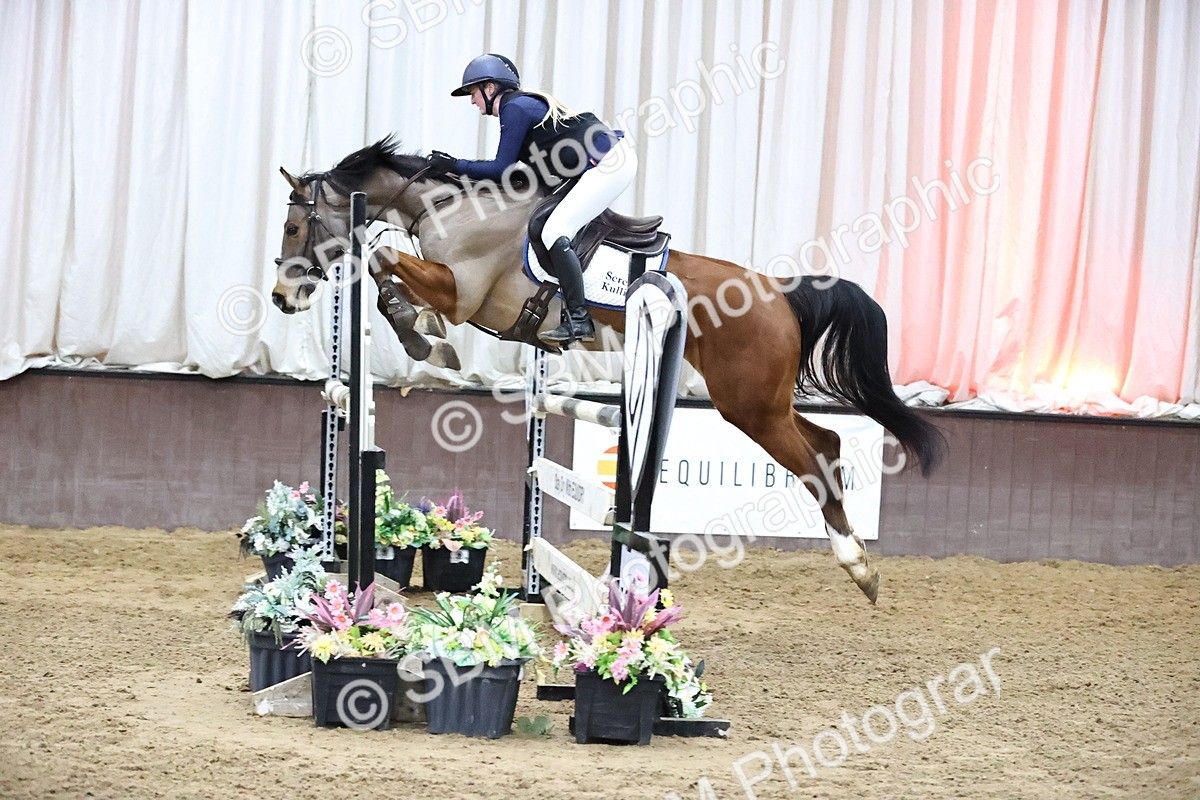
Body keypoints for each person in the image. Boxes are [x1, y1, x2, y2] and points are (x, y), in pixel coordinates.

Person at [428, 53, 638, 345]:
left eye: (473, 93)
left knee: (555, 231)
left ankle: (579, 318)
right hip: (604, 160)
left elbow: (501, 168)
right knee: (544, 224)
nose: (472, 101)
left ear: (490, 89)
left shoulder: (515, 109)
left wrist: (453, 165)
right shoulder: (521, 107)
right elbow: (524, 172)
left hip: (609, 163)